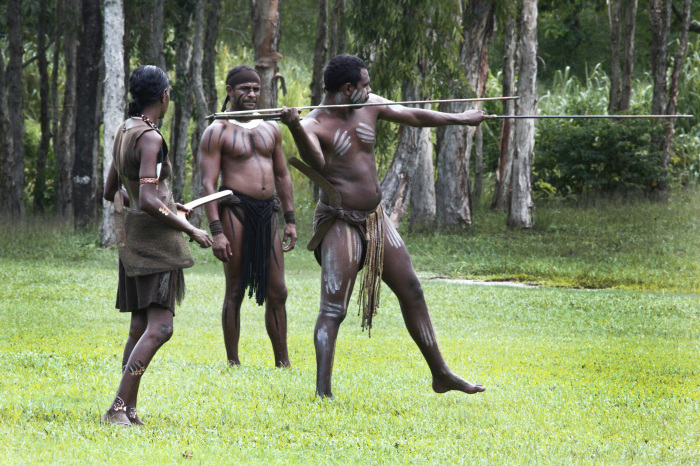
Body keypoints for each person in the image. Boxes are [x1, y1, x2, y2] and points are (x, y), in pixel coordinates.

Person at [280, 54, 494, 398]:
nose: (370, 89)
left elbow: (415, 115)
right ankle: (323, 392)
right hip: (340, 222)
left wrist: (461, 119)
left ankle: (441, 374)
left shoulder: (370, 105)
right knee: (334, 309)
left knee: (412, 290)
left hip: (375, 219)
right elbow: (316, 162)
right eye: (365, 85)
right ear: (348, 89)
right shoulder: (312, 125)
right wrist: (292, 125)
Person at [102, 65, 213, 425]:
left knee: (140, 327)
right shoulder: (149, 137)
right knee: (161, 328)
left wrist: (166, 201)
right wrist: (189, 228)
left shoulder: (124, 130)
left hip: (133, 240)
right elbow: (148, 199)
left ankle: (128, 409)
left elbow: (112, 191)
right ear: (164, 96)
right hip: (156, 244)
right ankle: (118, 408)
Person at [199, 65, 297, 367]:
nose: (252, 94)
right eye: (245, 89)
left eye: (256, 89)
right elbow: (208, 184)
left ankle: (283, 362)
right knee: (236, 289)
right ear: (230, 91)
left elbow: (282, 175)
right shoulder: (217, 130)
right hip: (235, 212)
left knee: (278, 291)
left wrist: (290, 219)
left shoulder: (271, 128)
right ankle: (233, 361)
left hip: (268, 214)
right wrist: (216, 231)